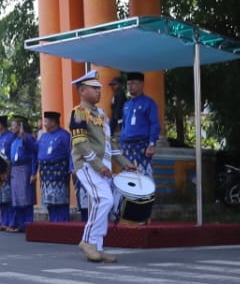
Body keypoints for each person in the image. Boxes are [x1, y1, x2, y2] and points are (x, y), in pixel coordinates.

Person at [69, 70, 135, 263]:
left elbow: (110, 144)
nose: (99, 91)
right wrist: (98, 166)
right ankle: (87, 241)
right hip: (87, 164)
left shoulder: (101, 114)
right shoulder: (79, 112)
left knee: (100, 203)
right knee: (105, 200)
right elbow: (80, 142)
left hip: (102, 165)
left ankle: (97, 247)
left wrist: (125, 163)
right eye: (94, 88)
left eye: (99, 88)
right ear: (82, 91)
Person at [119, 72, 160, 177]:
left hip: (142, 146)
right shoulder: (126, 104)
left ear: (141, 84)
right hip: (126, 147)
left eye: (133, 83)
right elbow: (124, 125)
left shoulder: (149, 103)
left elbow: (154, 124)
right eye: (128, 84)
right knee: (128, 177)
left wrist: (152, 144)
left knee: (143, 176)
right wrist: (121, 143)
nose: (130, 86)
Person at [36, 111, 73, 222]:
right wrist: (25, 139)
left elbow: (70, 153)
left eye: (46, 121)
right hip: (45, 173)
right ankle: (53, 224)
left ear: (53, 122)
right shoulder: (43, 136)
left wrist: (71, 168)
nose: (44, 124)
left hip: (59, 171)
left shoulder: (64, 135)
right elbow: (34, 148)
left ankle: (63, 225)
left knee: (60, 201)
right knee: (49, 202)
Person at [5, 116, 38, 232]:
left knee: (26, 198)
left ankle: (28, 224)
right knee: (16, 199)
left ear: (20, 126)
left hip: (25, 169)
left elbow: (34, 154)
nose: (11, 128)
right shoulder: (14, 140)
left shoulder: (28, 137)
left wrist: (33, 172)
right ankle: (20, 225)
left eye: (13, 126)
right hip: (15, 169)